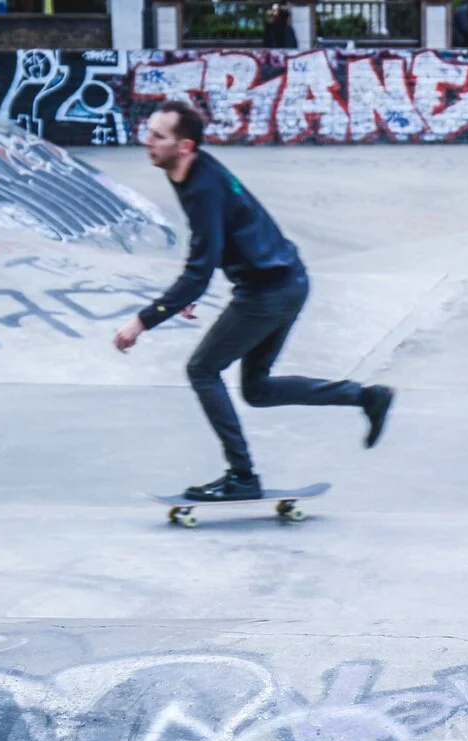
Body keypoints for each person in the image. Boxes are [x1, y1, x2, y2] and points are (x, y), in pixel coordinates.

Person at [114, 101, 394, 502]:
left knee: (202, 369)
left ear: (185, 146)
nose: (148, 142)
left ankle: (242, 476)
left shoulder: (201, 187)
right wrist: (191, 290)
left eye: (158, 136)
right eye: (149, 133)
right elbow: (213, 243)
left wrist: (142, 321)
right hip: (287, 280)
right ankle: (365, 396)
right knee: (257, 390)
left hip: (268, 292)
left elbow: (199, 268)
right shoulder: (193, 171)